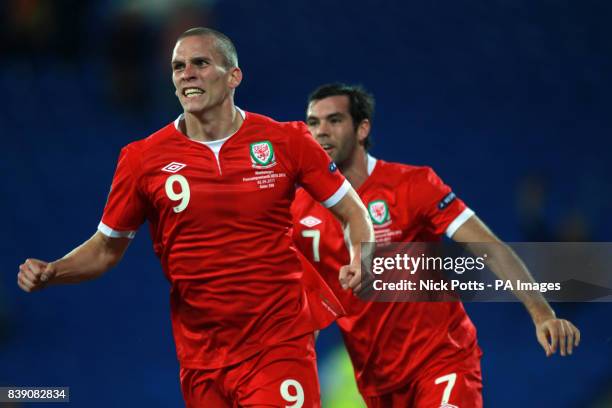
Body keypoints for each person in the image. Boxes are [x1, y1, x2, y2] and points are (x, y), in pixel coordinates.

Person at [17, 29, 374, 407]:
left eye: (200, 63)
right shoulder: (142, 159)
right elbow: (106, 250)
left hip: (278, 339)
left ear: (233, 76)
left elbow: (353, 212)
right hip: (202, 355)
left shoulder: (286, 141)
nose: (187, 73)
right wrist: (55, 271)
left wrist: (361, 258)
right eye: (177, 66)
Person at [291, 83, 581, 407]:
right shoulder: (300, 210)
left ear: (362, 129)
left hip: (442, 360)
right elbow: (306, 299)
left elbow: (487, 245)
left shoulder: (412, 185)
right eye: (313, 123)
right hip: (378, 384)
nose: (322, 132)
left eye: (334, 120)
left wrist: (542, 313)